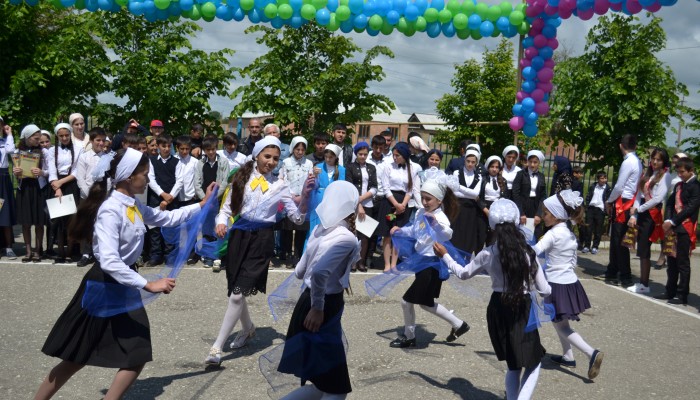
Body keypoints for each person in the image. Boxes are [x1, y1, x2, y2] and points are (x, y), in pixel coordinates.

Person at [35, 148, 217, 400]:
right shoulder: (110, 210)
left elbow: (166, 218)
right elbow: (109, 261)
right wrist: (148, 284)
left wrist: (202, 204)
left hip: (122, 284)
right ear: (129, 177)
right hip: (103, 286)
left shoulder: (133, 205)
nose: (148, 179)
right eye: (145, 174)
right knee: (76, 356)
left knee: (137, 351)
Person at [204, 136, 314, 366]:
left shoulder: (280, 186)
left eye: (275, 158)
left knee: (237, 294)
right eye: (267, 157)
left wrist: (305, 196)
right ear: (256, 155)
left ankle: (217, 348)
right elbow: (225, 209)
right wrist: (221, 223)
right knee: (236, 290)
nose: (271, 162)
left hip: (262, 241)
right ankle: (248, 329)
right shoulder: (241, 178)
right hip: (239, 237)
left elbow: (297, 217)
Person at [437, 198, 551, 400]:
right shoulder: (527, 252)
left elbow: (463, 274)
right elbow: (545, 290)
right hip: (522, 308)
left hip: (498, 307)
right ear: (515, 223)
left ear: (493, 226)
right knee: (534, 363)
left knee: (513, 365)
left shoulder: (487, 253)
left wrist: (445, 255)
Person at [277, 181, 359, 400]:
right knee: (337, 389)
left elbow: (299, 271)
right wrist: (318, 308)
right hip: (323, 306)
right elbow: (320, 273)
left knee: (323, 383)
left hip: (305, 302)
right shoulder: (347, 238)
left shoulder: (318, 229)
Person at [388, 179, 469, 348]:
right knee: (426, 303)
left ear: (439, 200)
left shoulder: (440, 217)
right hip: (422, 262)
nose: (424, 202)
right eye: (423, 197)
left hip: (432, 265)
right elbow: (414, 231)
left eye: (428, 199)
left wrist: (436, 224)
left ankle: (409, 337)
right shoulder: (420, 212)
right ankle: (459, 324)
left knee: (406, 301)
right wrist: (400, 230)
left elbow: (447, 234)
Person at [535, 190, 604, 380]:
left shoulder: (552, 234)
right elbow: (573, 262)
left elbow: (534, 252)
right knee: (559, 321)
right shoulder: (569, 233)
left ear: (556, 215)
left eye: (546, 213)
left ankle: (591, 353)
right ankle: (568, 356)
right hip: (570, 283)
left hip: (556, 284)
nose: (543, 216)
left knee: (561, 325)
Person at [655, 157, 699, 306]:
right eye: (678, 172)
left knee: (682, 262)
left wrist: (673, 221)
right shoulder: (679, 185)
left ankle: (682, 294)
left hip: (685, 227)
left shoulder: (696, 186)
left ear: (691, 171)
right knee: (671, 261)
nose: (680, 175)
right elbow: (669, 204)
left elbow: (690, 208)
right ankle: (670, 290)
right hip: (673, 227)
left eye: (682, 172)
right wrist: (668, 220)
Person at [627, 148, 671, 294]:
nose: (655, 162)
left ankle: (644, 284)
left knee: (644, 248)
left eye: (659, 159)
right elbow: (639, 195)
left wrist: (639, 210)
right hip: (643, 212)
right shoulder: (648, 174)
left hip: (652, 214)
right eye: (653, 158)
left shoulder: (665, 176)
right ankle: (642, 282)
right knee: (641, 248)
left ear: (664, 162)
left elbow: (657, 199)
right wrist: (634, 214)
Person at [604, 134, 642, 287]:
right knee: (617, 239)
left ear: (621, 146)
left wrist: (609, 200)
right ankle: (612, 270)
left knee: (619, 240)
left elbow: (619, 186)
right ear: (635, 146)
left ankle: (625, 275)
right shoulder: (637, 161)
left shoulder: (627, 162)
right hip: (628, 200)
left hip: (623, 202)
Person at [377, 142, 421, 272]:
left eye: (397, 155)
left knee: (398, 234)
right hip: (390, 201)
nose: (395, 158)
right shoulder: (388, 167)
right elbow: (386, 187)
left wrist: (403, 205)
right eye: (394, 155)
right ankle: (387, 264)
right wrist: (396, 204)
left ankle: (394, 264)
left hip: (404, 202)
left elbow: (410, 189)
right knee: (387, 235)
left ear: (404, 155)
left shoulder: (412, 168)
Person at [72, 127, 108, 266]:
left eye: (103, 140)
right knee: (87, 225)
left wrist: (106, 195)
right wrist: (90, 195)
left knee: (102, 225)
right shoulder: (84, 157)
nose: (101, 143)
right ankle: (86, 253)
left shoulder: (107, 157)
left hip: (103, 196)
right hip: (87, 196)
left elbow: (109, 178)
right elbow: (80, 178)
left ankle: (100, 253)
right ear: (92, 141)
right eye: (98, 140)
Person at [48, 123, 83, 264]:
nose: (64, 138)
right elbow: (51, 170)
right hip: (56, 186)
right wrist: (57, 188)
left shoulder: (79, 149)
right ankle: (60, 251)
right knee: (58, 220)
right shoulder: (52, 150)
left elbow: (76, 171)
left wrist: (61, 183)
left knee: (70, 221)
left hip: (70, 184)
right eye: (61, 136)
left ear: (70, 134)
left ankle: (69, 252)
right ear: (57, 136)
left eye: (66, 135)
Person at [14, 124, 49, 263]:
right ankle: (28, 251)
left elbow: (49, 171)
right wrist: (16, 172)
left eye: (40, 138)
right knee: (26, 222)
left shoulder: (44, 152)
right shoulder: (18, 151)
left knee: (39, 222)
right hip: (24, 188)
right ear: (28, 137)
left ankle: (37, 250)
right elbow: (15, 170)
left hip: (38, 188)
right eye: (36, 138)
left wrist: (41, 172)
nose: (39, 141)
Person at [278, 136, 314, 264]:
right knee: (287, 228)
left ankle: (297, 255)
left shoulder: (309, 163)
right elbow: (282, 179)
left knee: (301, 228)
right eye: (297, 149)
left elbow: (310, 180)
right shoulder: (286, 162)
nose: (300, 152)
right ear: (293, 149)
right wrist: (291, 195)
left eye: (302, 150)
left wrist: (303, 196)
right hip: (289, 198)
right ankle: (287, 253)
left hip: (303, 198)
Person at [146, 135, 180, 267]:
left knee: (170, 226)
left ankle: (169, 255)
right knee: (155, 228)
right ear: (158, 146)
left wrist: (169, 197)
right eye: (163, 146)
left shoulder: (176, 161)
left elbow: (179, 181)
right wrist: (162, 194)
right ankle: (156, 255)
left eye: (168, 146)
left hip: (172, 199)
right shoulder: (152, 160)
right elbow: (151, 179)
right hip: (156, 198)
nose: (166, 149)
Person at [344, 141, 377, 272]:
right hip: (353, 204)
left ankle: (361, 262)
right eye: (360, 154)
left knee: (365, 235)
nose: (363, 156)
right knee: (353, 233)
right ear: (356, 154)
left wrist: (362, 199)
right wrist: (358, 204)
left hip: (368, 203)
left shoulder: (372, 167)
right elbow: (349, 186)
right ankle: (352, 262)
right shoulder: (350, 167)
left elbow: (374, 187)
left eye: (365, 154)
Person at [451, 148, 487, 255]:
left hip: (471, 210)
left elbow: (476, 194)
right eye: (468, 161)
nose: (470, 164)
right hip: (458, 208)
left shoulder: (478, 176)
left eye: (473, 162)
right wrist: (470, 194)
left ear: (476, 163)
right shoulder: (457, 173)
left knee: (468, 235)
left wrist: (459, 187)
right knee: (456, 233)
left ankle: (466, 257)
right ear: (464, 160)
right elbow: (455, 193)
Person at [308, 144, 346, 242]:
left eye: (330, 157)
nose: (328, 159)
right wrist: (315, 176)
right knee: (316, 226)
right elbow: (314, 186)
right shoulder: (318, 167)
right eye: (326, 157)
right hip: (319, 200)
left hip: (333, 202)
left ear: (336, 157)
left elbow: (342, 187)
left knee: (330, 227)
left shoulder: (342, 170)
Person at [512, 150, 546, 238]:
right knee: (521, 234)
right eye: (530, 162)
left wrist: (539, 214)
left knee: (536, 234)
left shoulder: (541, 176)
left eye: (535, 162)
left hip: (536, 206)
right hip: (523, 205)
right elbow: (515, 194)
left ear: (539, 163)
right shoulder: (520, 174)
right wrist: (521, 213)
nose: (532, 165)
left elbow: (543, 196)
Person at [579, 171, 611, 255]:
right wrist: (587, 206)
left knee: (598, 230)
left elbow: (608, 200)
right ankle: (587, 245)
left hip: (600, 210)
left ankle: (595, 246)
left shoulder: (608, 189)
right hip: (591, 209)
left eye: (605, 178)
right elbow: (588, 196)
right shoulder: (593, 186)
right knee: (588, 228)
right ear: (598, 179)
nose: (604, 180)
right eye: (602, 178)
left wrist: (606, 210)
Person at [0, 117, 17, 259]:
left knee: (5, 213)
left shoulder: (5, 142)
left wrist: (9, 134)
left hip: (3, 178)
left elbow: (11, 150)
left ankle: (8, 247)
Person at [171, 136, 198, 207]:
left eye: (187, 149)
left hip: (190, 197)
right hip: (175, 197)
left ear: (190, 148)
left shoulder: (195, 162)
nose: (184, 151)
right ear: (177, 148)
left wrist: (195, 194)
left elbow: (197, 179)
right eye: (182, 149)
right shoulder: (172, 160)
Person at [479, 155, 507, 221]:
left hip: (497, 210)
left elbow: (505, 197)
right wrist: (485, 210)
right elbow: (477, 197)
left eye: (497, 167)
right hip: (483, 209)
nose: (494, 169)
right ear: (488, 167)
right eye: (492, 167)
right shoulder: (482, 180)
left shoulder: (503, 181)